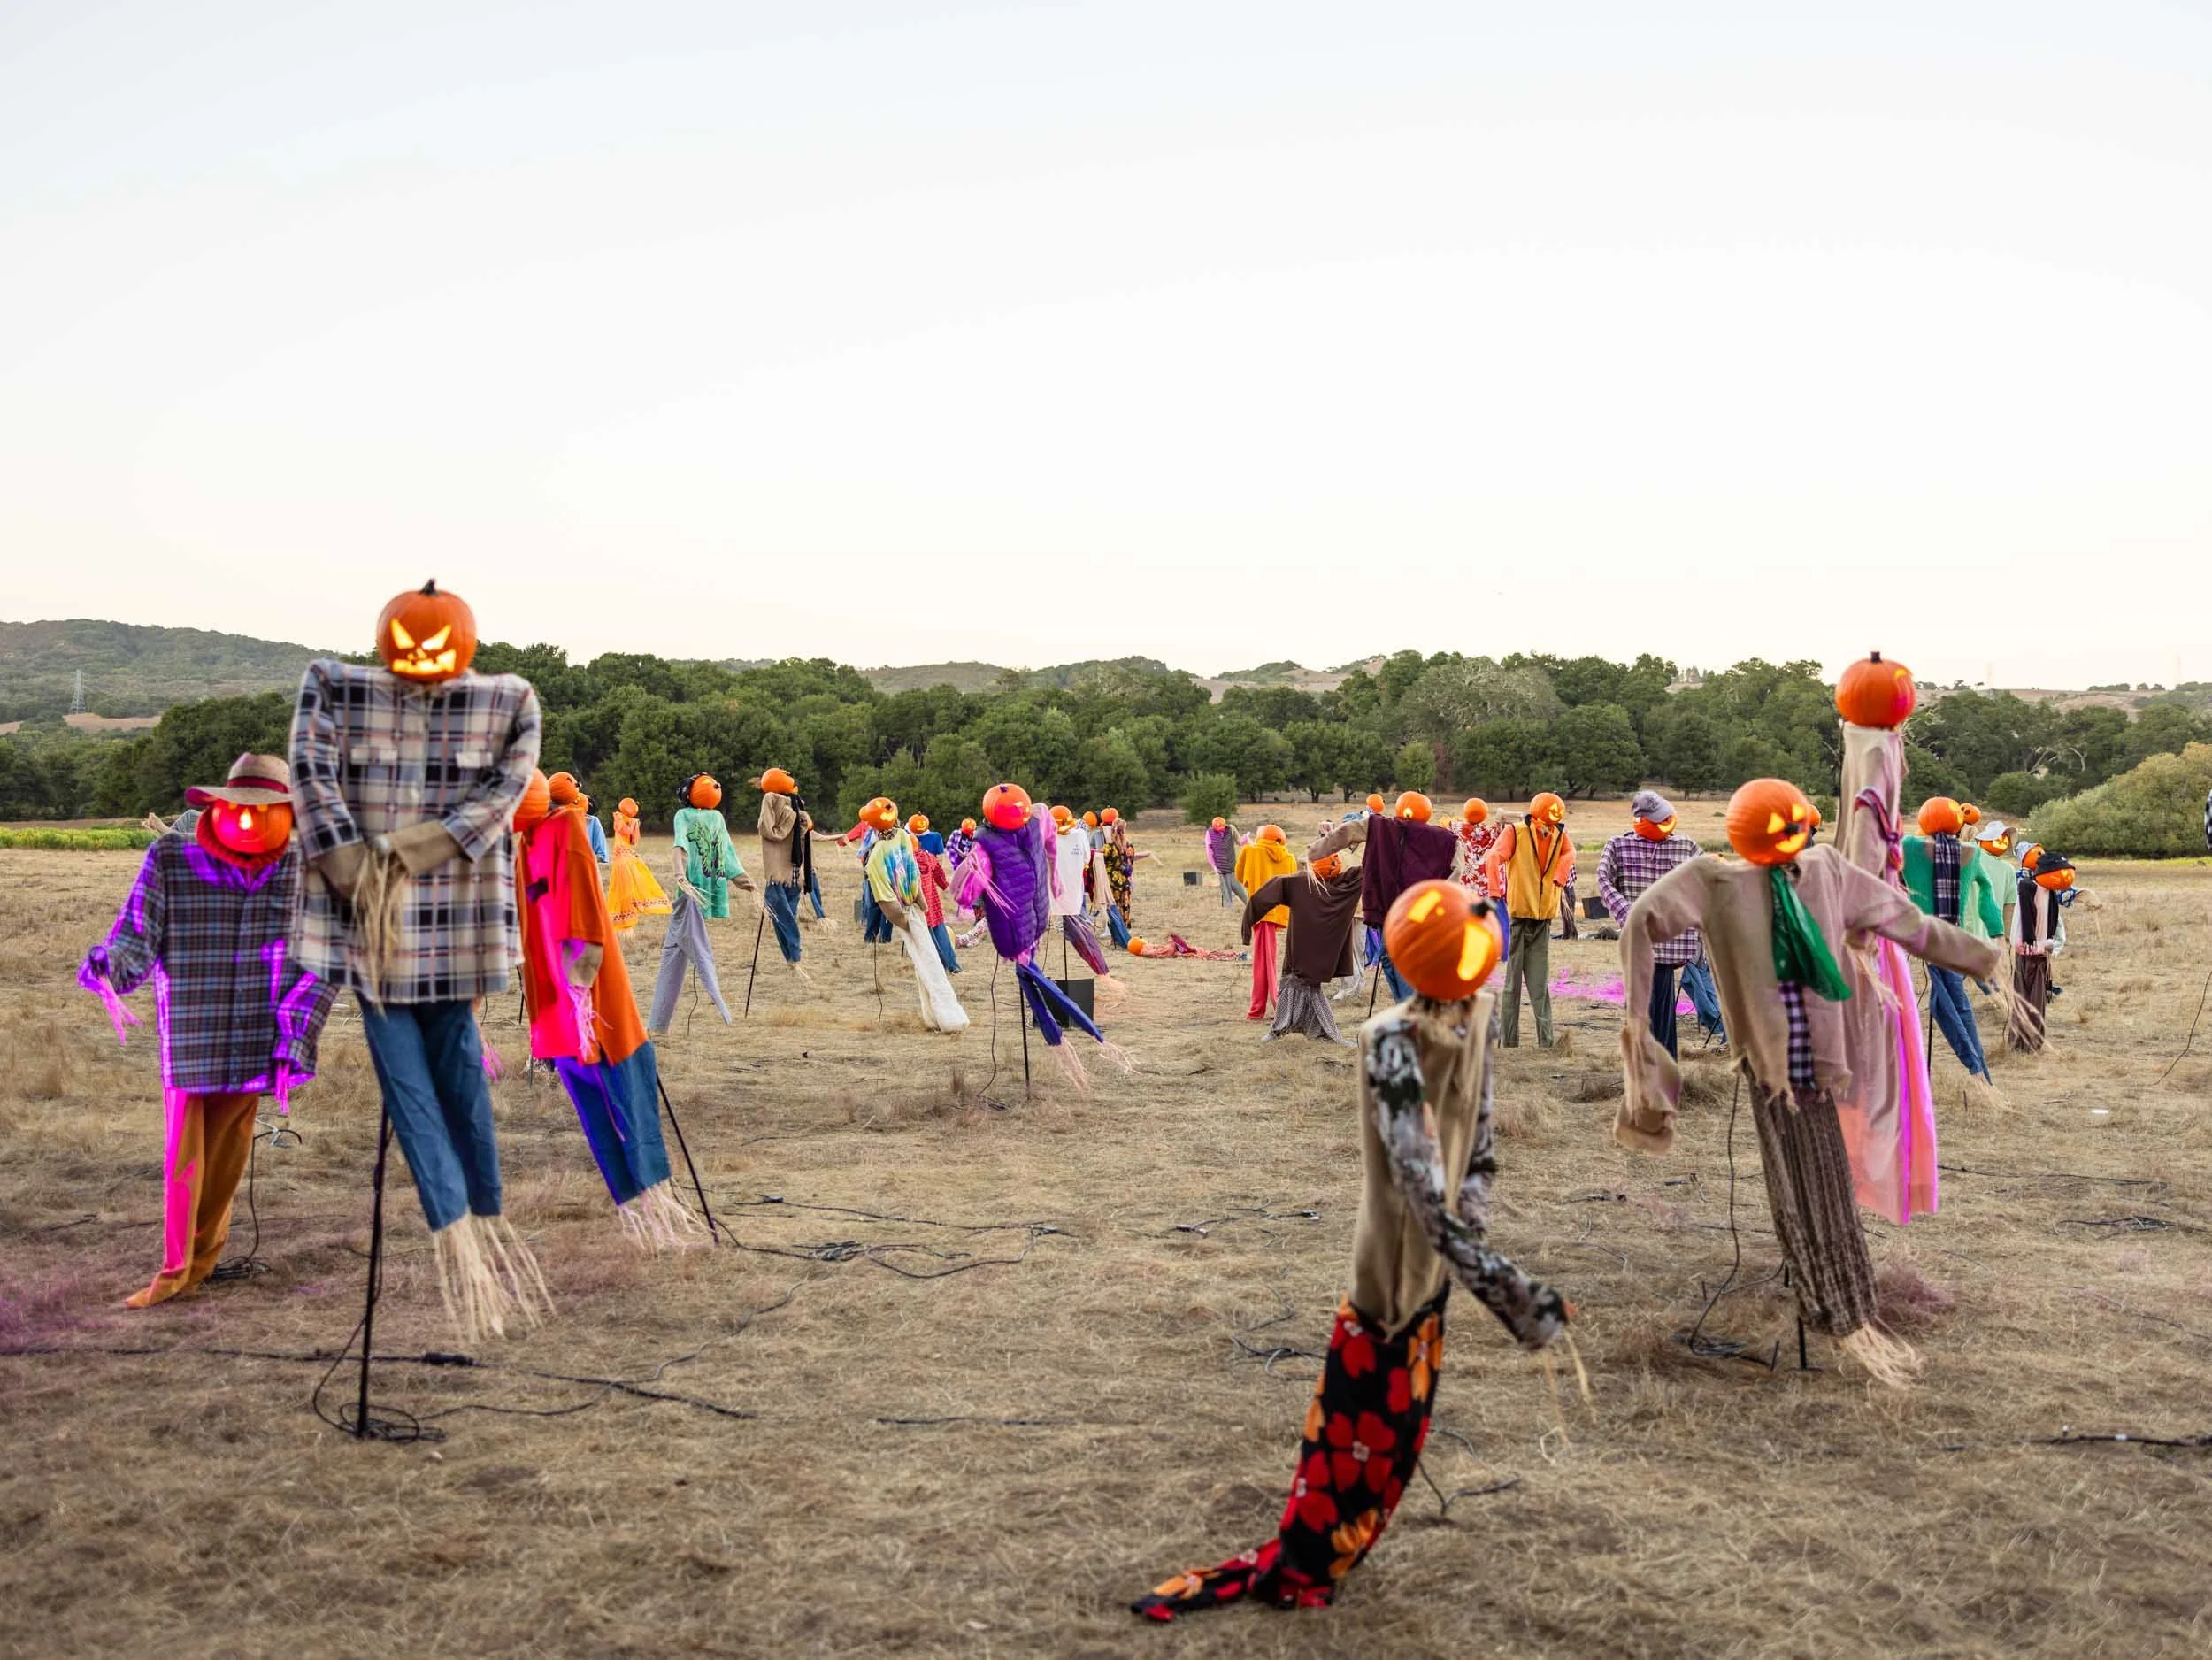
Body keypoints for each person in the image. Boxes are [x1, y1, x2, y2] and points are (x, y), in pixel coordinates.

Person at [1134, 880, 1570, 1620]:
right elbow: (1420, 1187)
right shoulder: (1390, 1042)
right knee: (1356, 1438)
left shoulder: (1480, 1015)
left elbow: (1480, 1150)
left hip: (1437, 1273)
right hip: (1391, 1278)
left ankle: (1337, 1547)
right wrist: (1503, 1288)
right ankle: (1311, 1558)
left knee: (1398, 1439)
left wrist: (1477, 1222)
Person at [1616, 779, 2001, 1385]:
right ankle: (1831, 1299)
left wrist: (1980, 957)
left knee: (1819, 1181)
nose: (1787, 829)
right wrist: (1637, 1025)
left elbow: (1904, 920)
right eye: (1776, 821)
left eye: (1793, 819)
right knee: (1795, 1186)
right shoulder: (1714, 881)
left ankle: (1841, 1303)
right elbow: (1642, 919)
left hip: (1818, 1063)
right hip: (1772, 1068)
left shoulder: (1823, 871)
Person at [290, 580, 547, 1341]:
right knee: (407, 1083)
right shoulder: (333, 687)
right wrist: (350, 871)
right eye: (410, 632)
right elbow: (311, 779)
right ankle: (457, 1234)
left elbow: (506, 795)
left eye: (438, 633)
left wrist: (401, 853)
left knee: (460, 1070)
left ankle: (480, 1219)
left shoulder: (510, 702)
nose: (423, 642)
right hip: (373, 938)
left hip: (456, 930)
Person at [79, 753, 339, 1308]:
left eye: (264, 810)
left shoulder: (310, 870)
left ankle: (199, 1262)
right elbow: (137, 934)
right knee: (185, 1157)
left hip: (256, 1032)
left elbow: (325, 962)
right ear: (217, 806)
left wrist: (296, 1033)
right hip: (194, 1029)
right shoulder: (173, 856)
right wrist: (109, 965)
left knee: (225, 1162)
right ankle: (175, 1270)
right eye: (239, 808)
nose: (249, 819)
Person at [513, 771, 701, 1247]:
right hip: (562, 1001)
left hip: (587, 1001)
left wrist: (577, 991)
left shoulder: (567, 831)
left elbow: (583, 921)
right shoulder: (523, 842)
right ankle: (642, 1207)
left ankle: (656, 1203)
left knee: (622, 1096)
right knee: (596, 1101)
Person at [1595, 790, 1703, 1057]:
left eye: (1667, 816)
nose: (1666, 823)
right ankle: (1646, 1069)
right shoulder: (1619, 845)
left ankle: (1664, 1067)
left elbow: (1707, 878)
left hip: (1670, 941)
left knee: (1663, 1008)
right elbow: (1603, 879)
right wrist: (1630, 914)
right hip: (1639, 943)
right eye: (1658, 819)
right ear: (1640, 819)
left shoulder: (1685, 846)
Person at [1901, 797, 2001, 1080]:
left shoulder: (1909, 847)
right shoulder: (1973, 853)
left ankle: (1968, 1064)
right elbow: (1987, 894)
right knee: (1958, 1004)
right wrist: (1996, 932)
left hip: (1921, 938)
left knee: (1941, 1004)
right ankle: (1979, 1069)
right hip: (1956, 940)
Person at [857, 798, 969, 1032]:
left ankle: (938, 1016)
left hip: (911, 909)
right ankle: (947, 1017)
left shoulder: (894, 843)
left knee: (927, 962)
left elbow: (906, 877)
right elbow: (888, 894)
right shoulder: (889, 848)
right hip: (908, 911)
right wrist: (904, 915)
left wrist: (916, 904)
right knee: (928, 961)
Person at [1483, 793, 1575, 1047]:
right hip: (1519, 917)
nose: (1555, 814)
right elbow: (1494, 857)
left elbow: (1570, 854)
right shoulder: (1516, 832)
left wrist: (1560, 874)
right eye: (1551, 810)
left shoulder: (1559, 835)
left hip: (1543, 919)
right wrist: (1493, 891)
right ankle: (1509, 1041)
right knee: (1512, 983)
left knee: (1539, 983)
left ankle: (1546, 1041)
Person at [1240, 852, 1363, 1042]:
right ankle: (1301, 1029)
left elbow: (1263, 896)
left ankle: (1287, 1028)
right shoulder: (1343, 885)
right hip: (1321, 955)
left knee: (1300, 984)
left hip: (1301, 953)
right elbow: (1363, 872)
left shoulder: (1301, 883)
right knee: (1304, 986)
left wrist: (1247, 927)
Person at [749, 766, 813, 970]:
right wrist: (794, 817)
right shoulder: (773, 800)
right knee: (783, 916)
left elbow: (799, 832)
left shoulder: (794, 804)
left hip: (791, 873)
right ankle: (794, 954)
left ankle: (792, 957)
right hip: (783, 872)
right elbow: (768, 830)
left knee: (783, 917)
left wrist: (799, 818)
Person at [1233, 825, 1300, 1019]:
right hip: (1277, 912)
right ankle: (1259, 1009)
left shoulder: (1251, 850)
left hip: (1259, 912)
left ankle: (1275, 1006)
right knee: (1265, 960)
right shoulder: (1289, 857)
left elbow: (1239, 876)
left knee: (1265, 963)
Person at [2008, 850, 2071, 1053]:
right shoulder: (2028, 889)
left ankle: (2030, 1043)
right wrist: (2043, 945)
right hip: (2029, 955)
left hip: (2040, 954)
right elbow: (2021, 937)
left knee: (2036, 1001)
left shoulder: (2049, 892)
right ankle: (2025, 1044)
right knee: (2029, 1001)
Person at [672, 773, 752, 921]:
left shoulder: (685, 815)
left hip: (694, 876)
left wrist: (680, 874)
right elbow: (727, 851)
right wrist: (745, 881)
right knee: (691, 922)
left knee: (688, 921)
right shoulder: (715, 817)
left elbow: (681, 845)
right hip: (703, 876)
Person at [605, 796, 673, 932]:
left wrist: (632, 823)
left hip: (624, 856)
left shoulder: (624, 820)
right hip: (625, 856)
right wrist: (633, 823)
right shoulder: (624, 819)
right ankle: (629, 912)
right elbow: (629, 836)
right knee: (628, 884)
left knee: (629, 884)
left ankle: (629, 911)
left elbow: (628, 836)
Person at [1205, 815, 1246, 908]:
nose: (1221, 831)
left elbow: (1240, 842)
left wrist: (1247, 838)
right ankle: (1228, 909)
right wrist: (1214, 867)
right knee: (1225, 889)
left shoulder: (1231, 829)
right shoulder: (1209, 833)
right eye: (1218, 829)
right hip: (1220, 866)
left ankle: (1249, 904)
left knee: (1238, 887)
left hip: (1232, 864)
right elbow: (1209, 852)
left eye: (1222, 829)